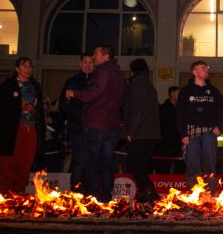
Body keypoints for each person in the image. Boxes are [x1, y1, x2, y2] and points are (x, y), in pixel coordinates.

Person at [65, 45, 126, 202]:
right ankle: (106, 195)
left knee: (90, 161)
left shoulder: (103, 70)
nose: (93, 56)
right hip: (112, 125)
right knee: (106, 162)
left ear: (106, 55)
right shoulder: (118, 73)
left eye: (95, 53)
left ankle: (93, 194)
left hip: (97, 124)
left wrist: (75, 93)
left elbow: (95, 92)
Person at [0, 57, 46, 195]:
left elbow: (39, 111)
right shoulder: (8, 85)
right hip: (13, 129)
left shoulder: (35, 85)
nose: (28, 69)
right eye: (24, 66)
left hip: (31, 128)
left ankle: (19, 194)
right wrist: (17, 107)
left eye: (30, 66)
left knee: (25, 164)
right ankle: (5, 195)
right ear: (17, 69)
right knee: (8, 164)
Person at [176, 61, 223, 191]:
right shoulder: (186, 91)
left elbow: (221, 109)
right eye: (202, 67)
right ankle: (194, 194)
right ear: (194, 72)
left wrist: (220, 127)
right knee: (192, 166)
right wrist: (183, 134)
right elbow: (180, 113)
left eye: (206, 67)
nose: (206, 69)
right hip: (191, 132)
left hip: (209, 132)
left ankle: (210, 192)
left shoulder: (213, 91)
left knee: (210, 165)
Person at [123, 58, 162, 202]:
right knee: (141, 164)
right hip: (151, 133)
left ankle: (149, 190)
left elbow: (136, 110)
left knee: (132, 164)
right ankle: (143, 194)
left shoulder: (137, 83)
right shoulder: (148, 84)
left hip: (140, 132)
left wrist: (130, 132)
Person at [58, 52, 93, 191]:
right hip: (77, 127)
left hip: (94, 129)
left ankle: (90, 190)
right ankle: (76, 190)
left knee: (92, 161)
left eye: (91, 62)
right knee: (78, 159)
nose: (88, 65)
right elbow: (63, 104)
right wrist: (81, 114)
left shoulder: (98, 81)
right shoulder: (72, 81)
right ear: (80, 64)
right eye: (85, 62)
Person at [155, 86, 184, 174]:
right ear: (172, 94)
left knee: (180, 165)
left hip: (179, 142)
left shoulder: (181, 109)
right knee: (164, 165)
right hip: (165, 142)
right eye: (179, 93)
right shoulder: (163, 108)